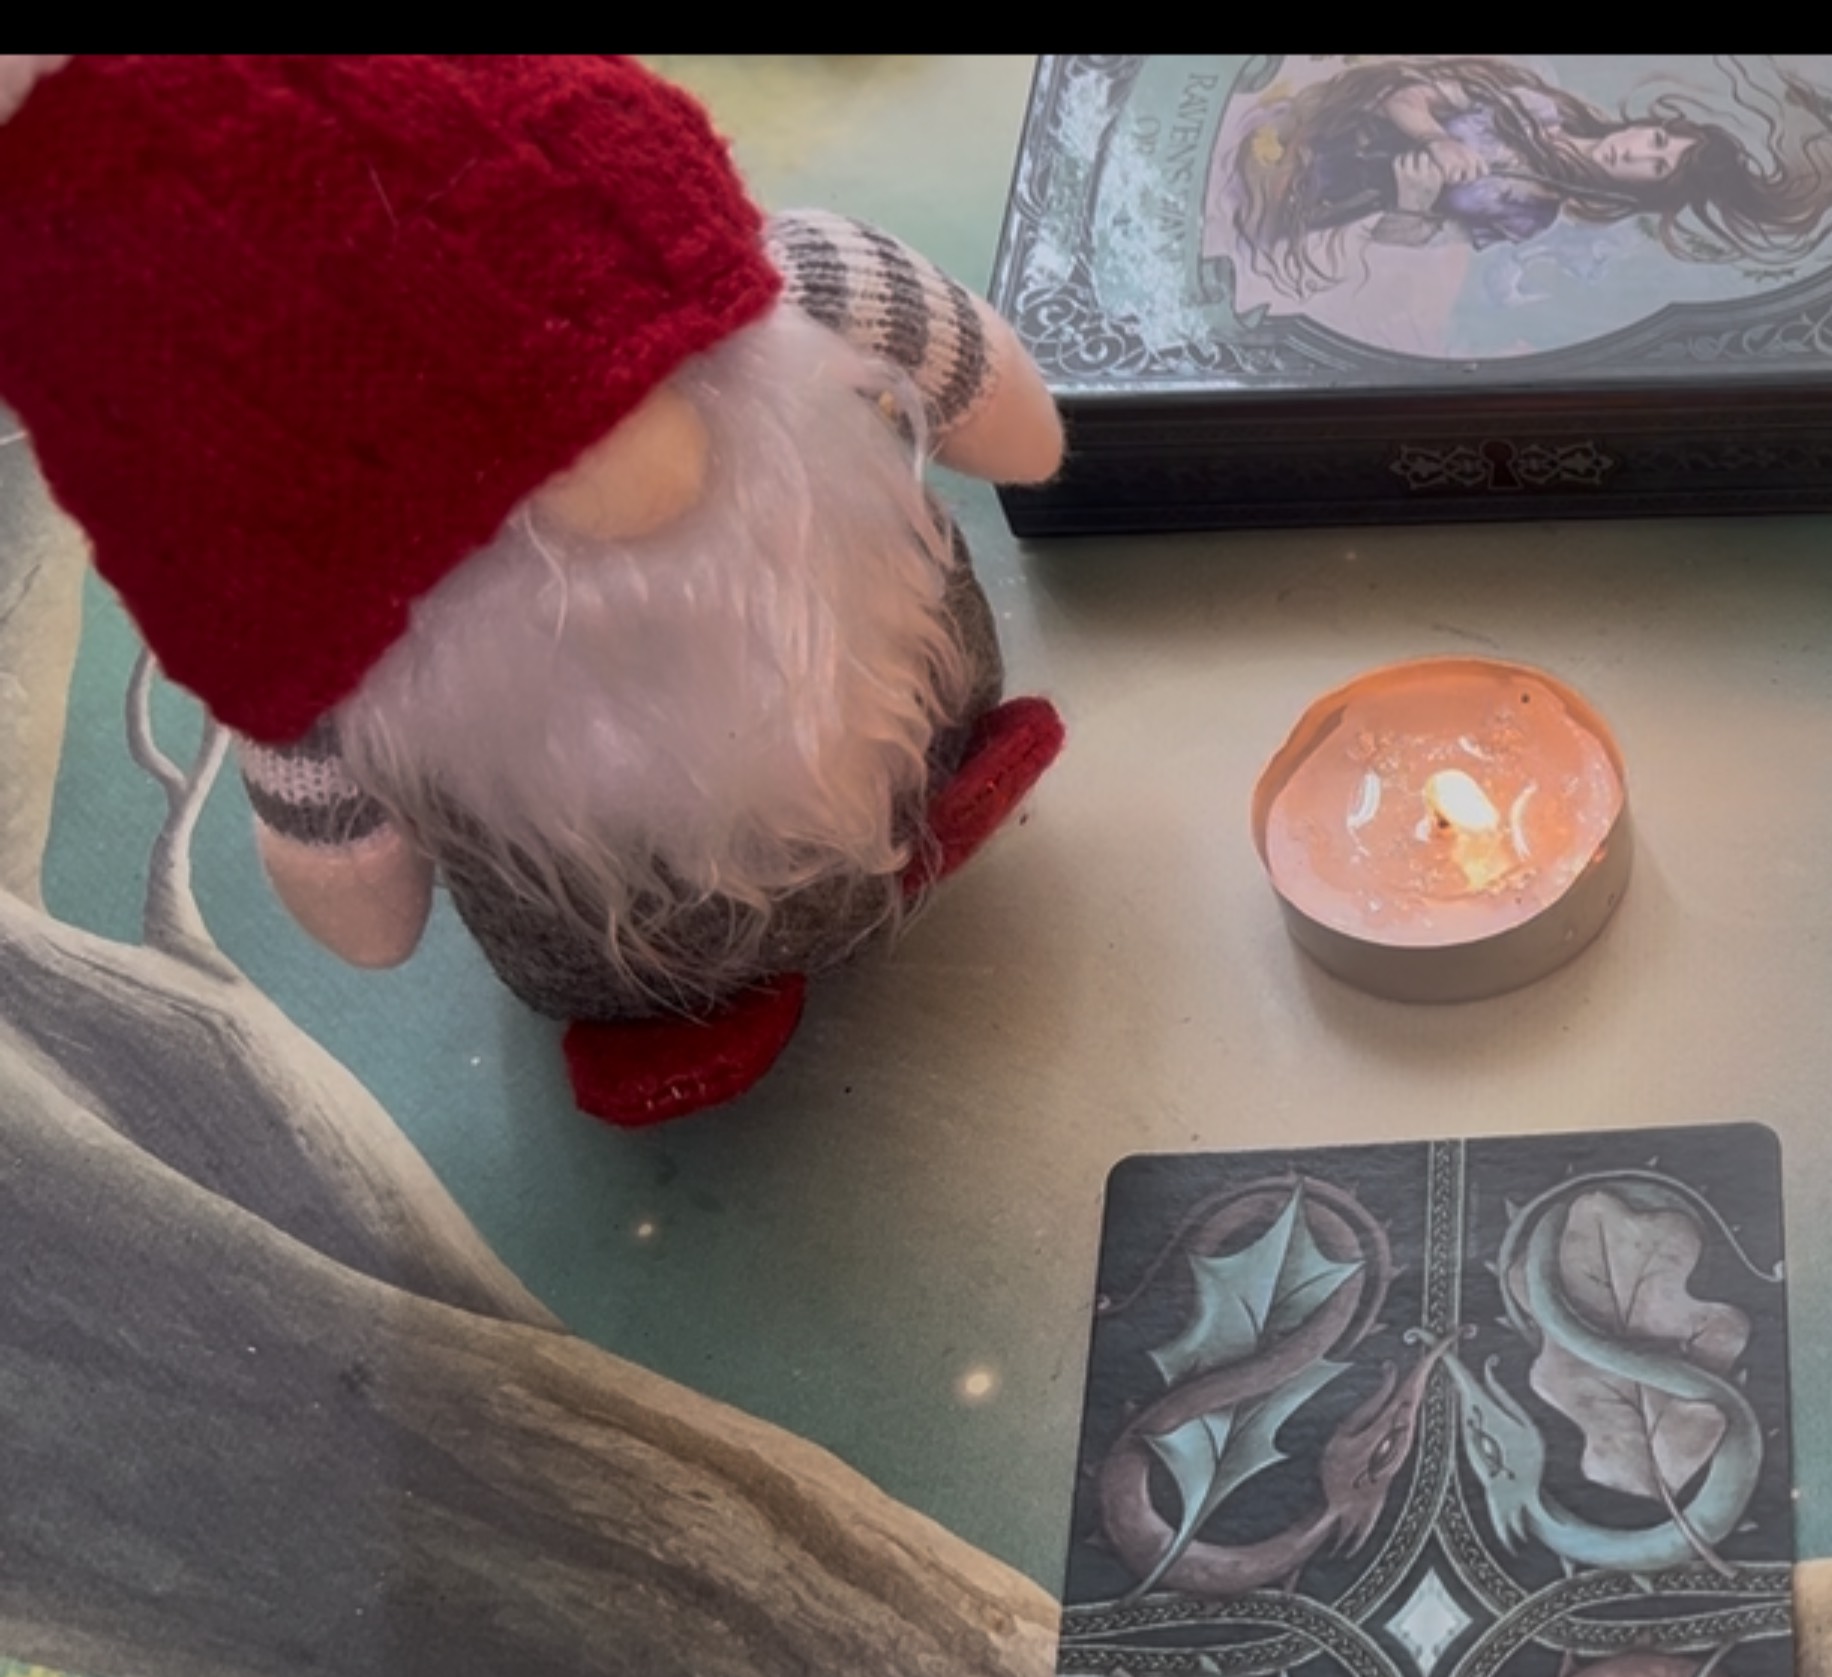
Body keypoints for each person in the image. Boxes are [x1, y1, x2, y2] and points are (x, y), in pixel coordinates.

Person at [0, 56, 1069, 1124]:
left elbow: (945, 353)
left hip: (872, 699)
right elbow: (329, 818)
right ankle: (670, 1006)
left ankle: (925, 784)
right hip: (610, 914)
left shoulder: (753, 280)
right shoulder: (312, 606)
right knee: (609, 923)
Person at [1219, 56, 1832, 297]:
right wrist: (1437, 138)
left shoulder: (1534, 212)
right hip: (1302, 134)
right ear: (1648, 123)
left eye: (1656, 167)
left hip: (1310, 205)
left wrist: (1414, 201)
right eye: (1657, 140)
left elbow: (1405, 238)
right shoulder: (1532, 105)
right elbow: (1404, 95)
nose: (1638, 153)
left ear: (1649, 189)